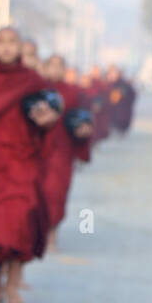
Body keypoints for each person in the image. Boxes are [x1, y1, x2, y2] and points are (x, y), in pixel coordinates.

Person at [0, 28, 57, 303]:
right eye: (1, 42)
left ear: (20, 47)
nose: (6, 48)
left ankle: (14, 285)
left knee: (19, 224)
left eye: (12, 42)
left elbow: (51, 116)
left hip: (21, 162)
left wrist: (47, 122)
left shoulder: (33, 81)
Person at [39, 55, 93, 251]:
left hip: (62, 151)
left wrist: (83, 134)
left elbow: (83, 120)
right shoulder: (36, 91)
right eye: (50, 65)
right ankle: (40, 233)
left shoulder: (73, 93)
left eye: (59, 66)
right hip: (36, 150)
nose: (54, 70)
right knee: (38, 194)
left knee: (56, 194)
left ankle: (52, 234)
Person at [106, 64, 136, 135]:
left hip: (121, 109)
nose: (113, 75)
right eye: (111, 73)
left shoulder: (123, 83)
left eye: (115, 73)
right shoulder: (105, 83)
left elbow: (131, 93)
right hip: (109, 109)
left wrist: (123, 94)